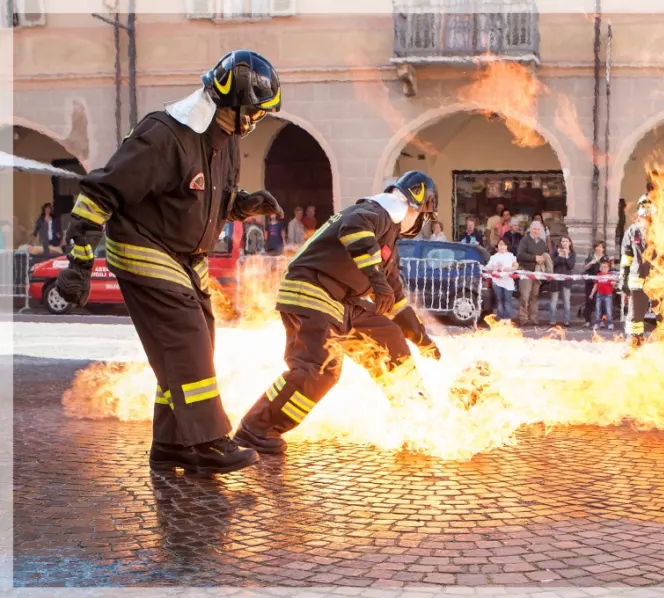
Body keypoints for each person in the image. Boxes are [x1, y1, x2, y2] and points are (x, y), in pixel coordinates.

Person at [54, 50, 285, 476]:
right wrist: (79, 264)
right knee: (186, 340)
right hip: (144, 248)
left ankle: (172, 445)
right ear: (229, 103)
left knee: (191, 350)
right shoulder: (164, 135)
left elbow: (198, 199)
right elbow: (99, 193)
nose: (255, 120)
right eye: (252, 111)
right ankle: (211, 441)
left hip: (186, 258)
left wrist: (243, 205)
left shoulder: (225, 139)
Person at [233, 171, 441, 455]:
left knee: (388, 337)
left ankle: (419, 419)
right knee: (320, 368)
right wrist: (378, 283)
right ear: (415, 208)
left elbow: (397, 302)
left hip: (343, 300)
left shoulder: (389, 239)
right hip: (312, 289)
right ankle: (256, 429)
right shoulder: (375, 212)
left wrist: (423, 340)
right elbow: (354, 229)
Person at [620, 195, 655, 351]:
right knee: (635, 316)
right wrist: (623, 277)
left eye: (649, 205)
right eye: (643, 205)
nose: (646, 209)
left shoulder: (662, 230)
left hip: (658, 280)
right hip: (637, 279)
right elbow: (626, 257)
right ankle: (635, 344)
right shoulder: (632, 231)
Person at [516, 221, 547, 327]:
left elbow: (545, 254)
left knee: (535, 296)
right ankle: (523, 318)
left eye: (538, 229)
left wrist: (543, 259)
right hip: (526, 271)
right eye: (534, 229)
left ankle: (533, 318)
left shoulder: (542, 243)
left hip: (537, 272)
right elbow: (520, 255)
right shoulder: (524, 240)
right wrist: (535, 258)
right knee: (525, 296)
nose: (536, 231)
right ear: (530, 229)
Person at [485, 238, 517, 320]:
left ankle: (508, 319)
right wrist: (494, 267)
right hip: (497, 282)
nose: (501, 246)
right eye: (500, 244)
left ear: (506, 246)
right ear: (497, 246)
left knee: (507, 301)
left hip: (508, 283)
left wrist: (511, 269)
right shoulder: (494, 257)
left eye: (503, 244)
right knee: (500, 301)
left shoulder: (511, 256)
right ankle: (501, 318)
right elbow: (487, 267)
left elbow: (515, 265)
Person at [549, 235, 575, 327]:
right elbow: (552, 264)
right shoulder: (556, 252)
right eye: (563, 241)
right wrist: (560, 256)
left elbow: (571, 266)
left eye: (566, 241)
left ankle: (566, 320)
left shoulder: (572, 253)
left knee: (566, 301)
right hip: (556, 279)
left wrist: (567, 255)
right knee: (554, 301)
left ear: (570, 243)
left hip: (566, 280)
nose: (564, 243)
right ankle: (552, 320)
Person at [582, 241, 609, 325]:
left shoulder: (606, 257)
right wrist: (591, 262)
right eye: (597, 246)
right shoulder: (590, 256)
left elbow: (608, 269)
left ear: (603, 249)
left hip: (602, 282)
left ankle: (602, 320)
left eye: (600, 247)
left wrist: (601, 265)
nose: (598, 248)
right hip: (590, 281)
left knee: (602, 301)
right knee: (589, 300)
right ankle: (587, 320)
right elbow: (585, 267)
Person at [590, 260, 616, 330]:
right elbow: (596, 285)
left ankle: (610, 323)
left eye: (605, 267)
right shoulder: (598, 275)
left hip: (608, 295)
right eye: (602, 267)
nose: (603, 268)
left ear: (608, 268)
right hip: (599, 295)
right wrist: (592, 293)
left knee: (608, 310)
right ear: (600, 268)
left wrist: (613, 284)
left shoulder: (610, 275)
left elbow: (614, 285)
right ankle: (597, 323)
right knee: (598, 309)